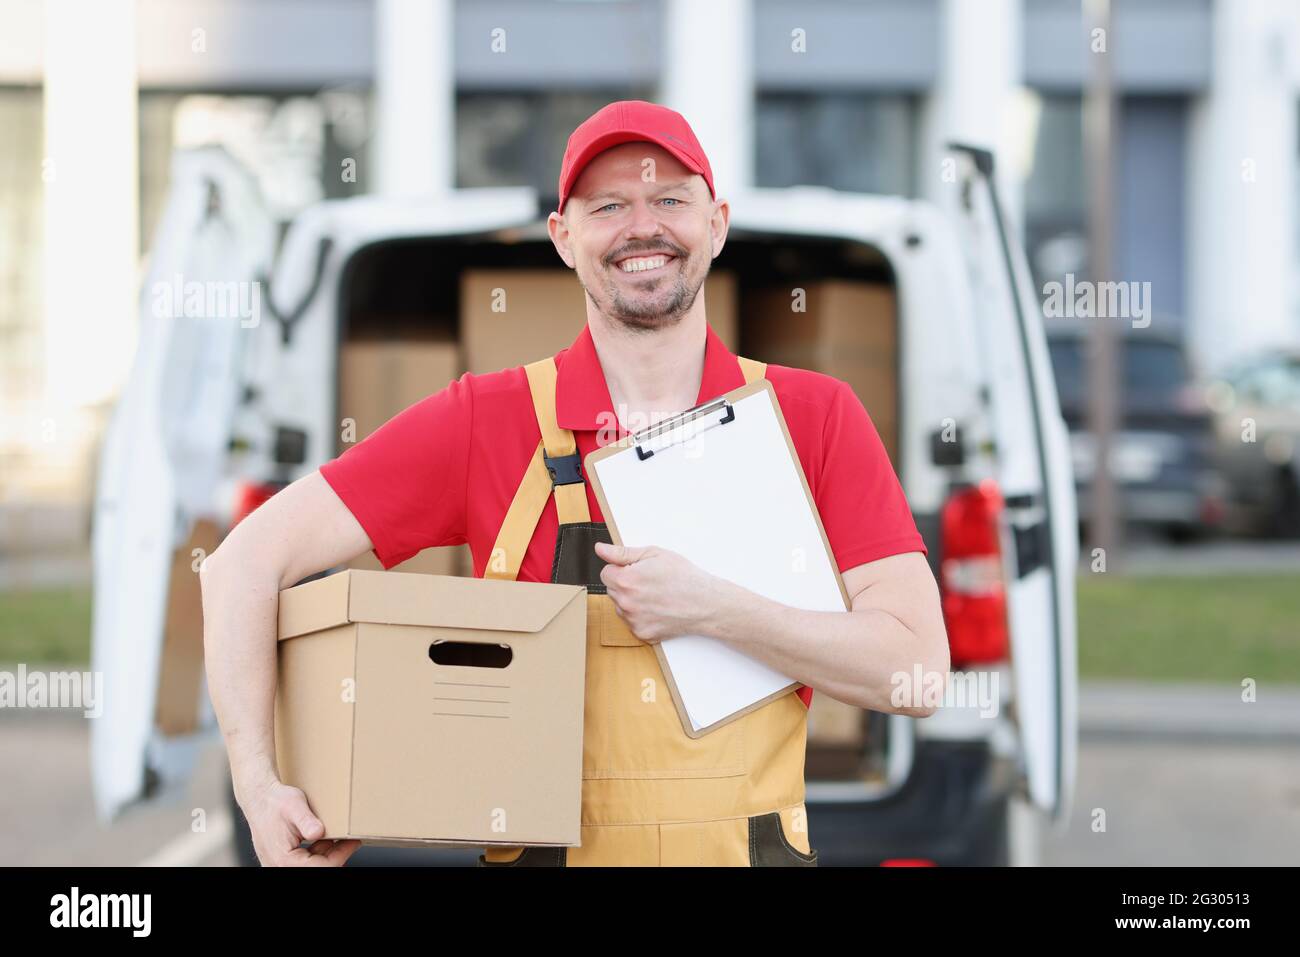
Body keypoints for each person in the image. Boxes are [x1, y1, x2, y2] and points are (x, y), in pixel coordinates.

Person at [201, 100, 949, 867]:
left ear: (716, 223)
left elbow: (917, 672)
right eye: (608, 206)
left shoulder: (812, 418)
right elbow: (240, 566)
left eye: (669, 200)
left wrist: (717, 609)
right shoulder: (483, 421)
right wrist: (259, 790)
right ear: (564, 237)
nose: (642, 228)